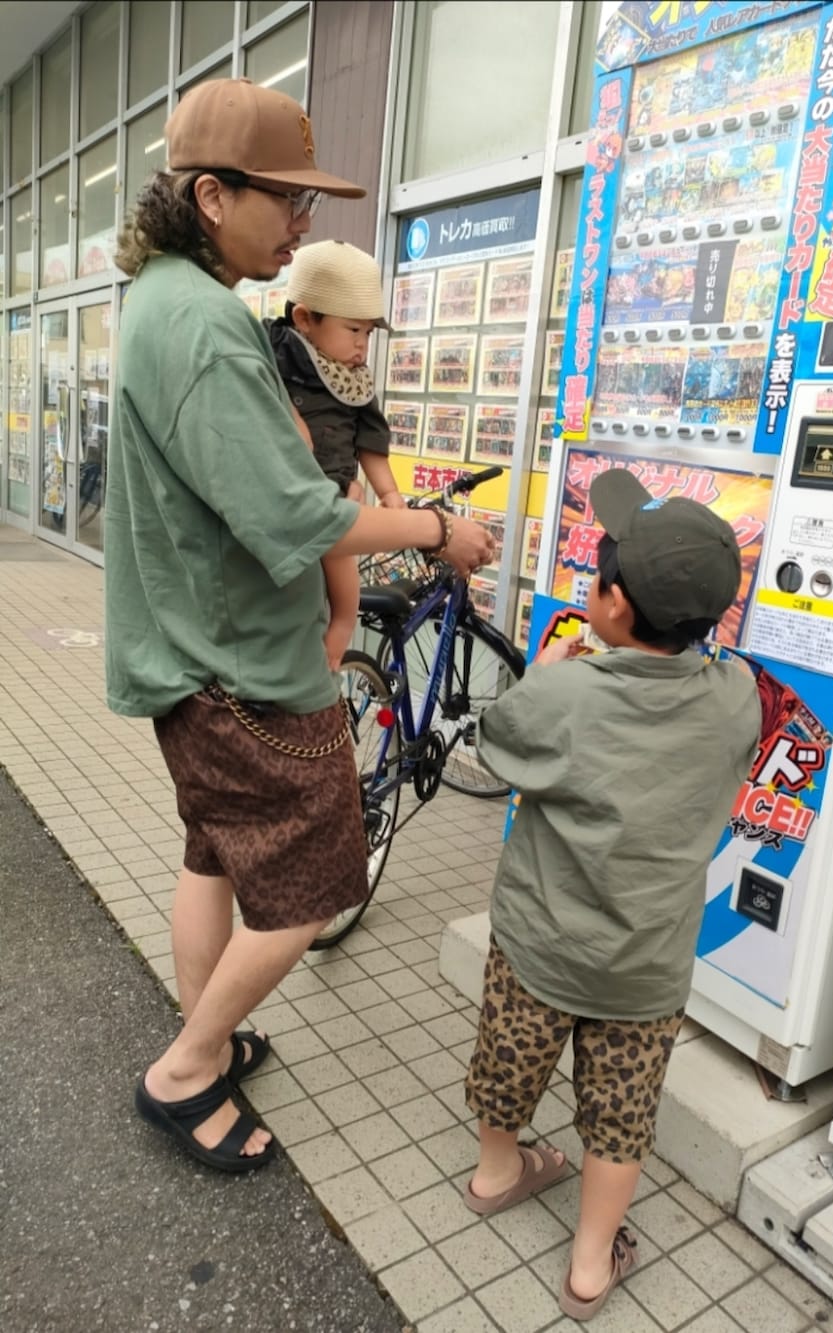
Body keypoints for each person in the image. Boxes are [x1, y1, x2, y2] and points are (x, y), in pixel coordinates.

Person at [106, 77, 493, 1174]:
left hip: (186, 649)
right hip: (240, 663)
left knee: (212, 853)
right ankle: (184, 1070)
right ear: (214, 196)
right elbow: (292, 511)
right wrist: (433, 530)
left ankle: (210, 1037)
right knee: (323, 875)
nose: (305, 224)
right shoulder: (209, 326)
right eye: (290, 200)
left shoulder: (162, 300)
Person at [461, 468, 761, 1321]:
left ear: (617, 608)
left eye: (599, 576)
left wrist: (545, 673)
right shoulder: (735, 699)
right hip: (644, 966)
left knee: (507, 1064)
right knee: (621, 1115)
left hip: (538, 942)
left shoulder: (565, 691)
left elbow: (502, 745)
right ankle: (591, 1264)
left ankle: (496, 1172)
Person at [267, 240, 404, 669]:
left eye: (368, 333)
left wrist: (391, 495)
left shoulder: (355, 379)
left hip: (337, 497)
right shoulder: (272, 352)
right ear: (304, 319)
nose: (362, 346)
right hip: (285, 500)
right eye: (353, 330)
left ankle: (342, 628)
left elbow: (370, 442)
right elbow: (254, 388)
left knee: (342, 572)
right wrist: (291, 413)